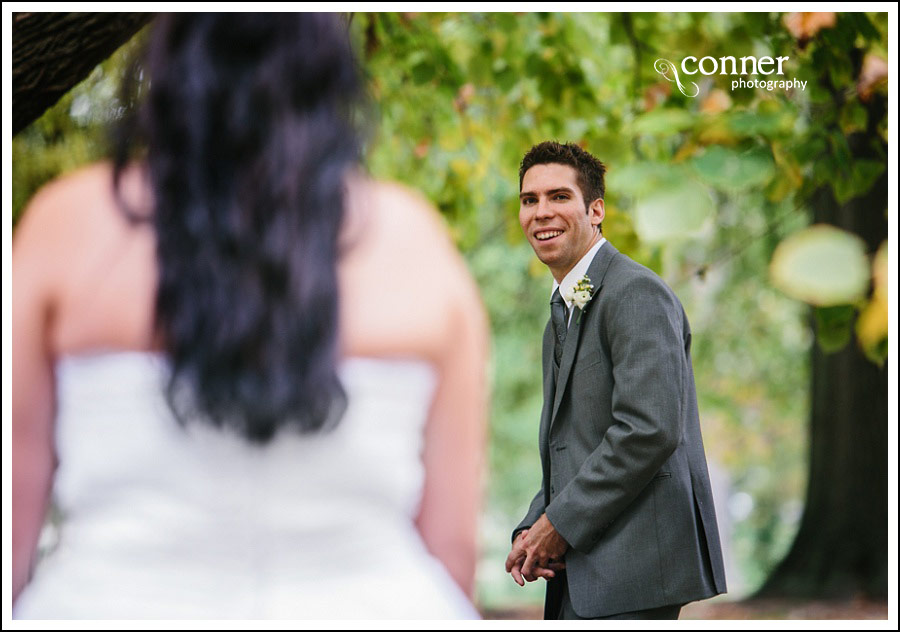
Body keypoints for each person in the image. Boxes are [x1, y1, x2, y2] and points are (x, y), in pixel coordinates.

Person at [12, 14, 487, 619]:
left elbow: (13, 529)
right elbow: (452, 548)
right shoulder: (415, 241)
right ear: (329, 64)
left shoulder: (69, 225)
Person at [505, 141, 727, 619]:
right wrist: (532, 527)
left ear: (596, 209)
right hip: (586, 572)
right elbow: (575, 445)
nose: (541, 212)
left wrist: (558, 524)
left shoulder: (636, 293)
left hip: (636, 570)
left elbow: (648, 430)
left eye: (559, 197)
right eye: (530, 200)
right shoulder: (560, 314)